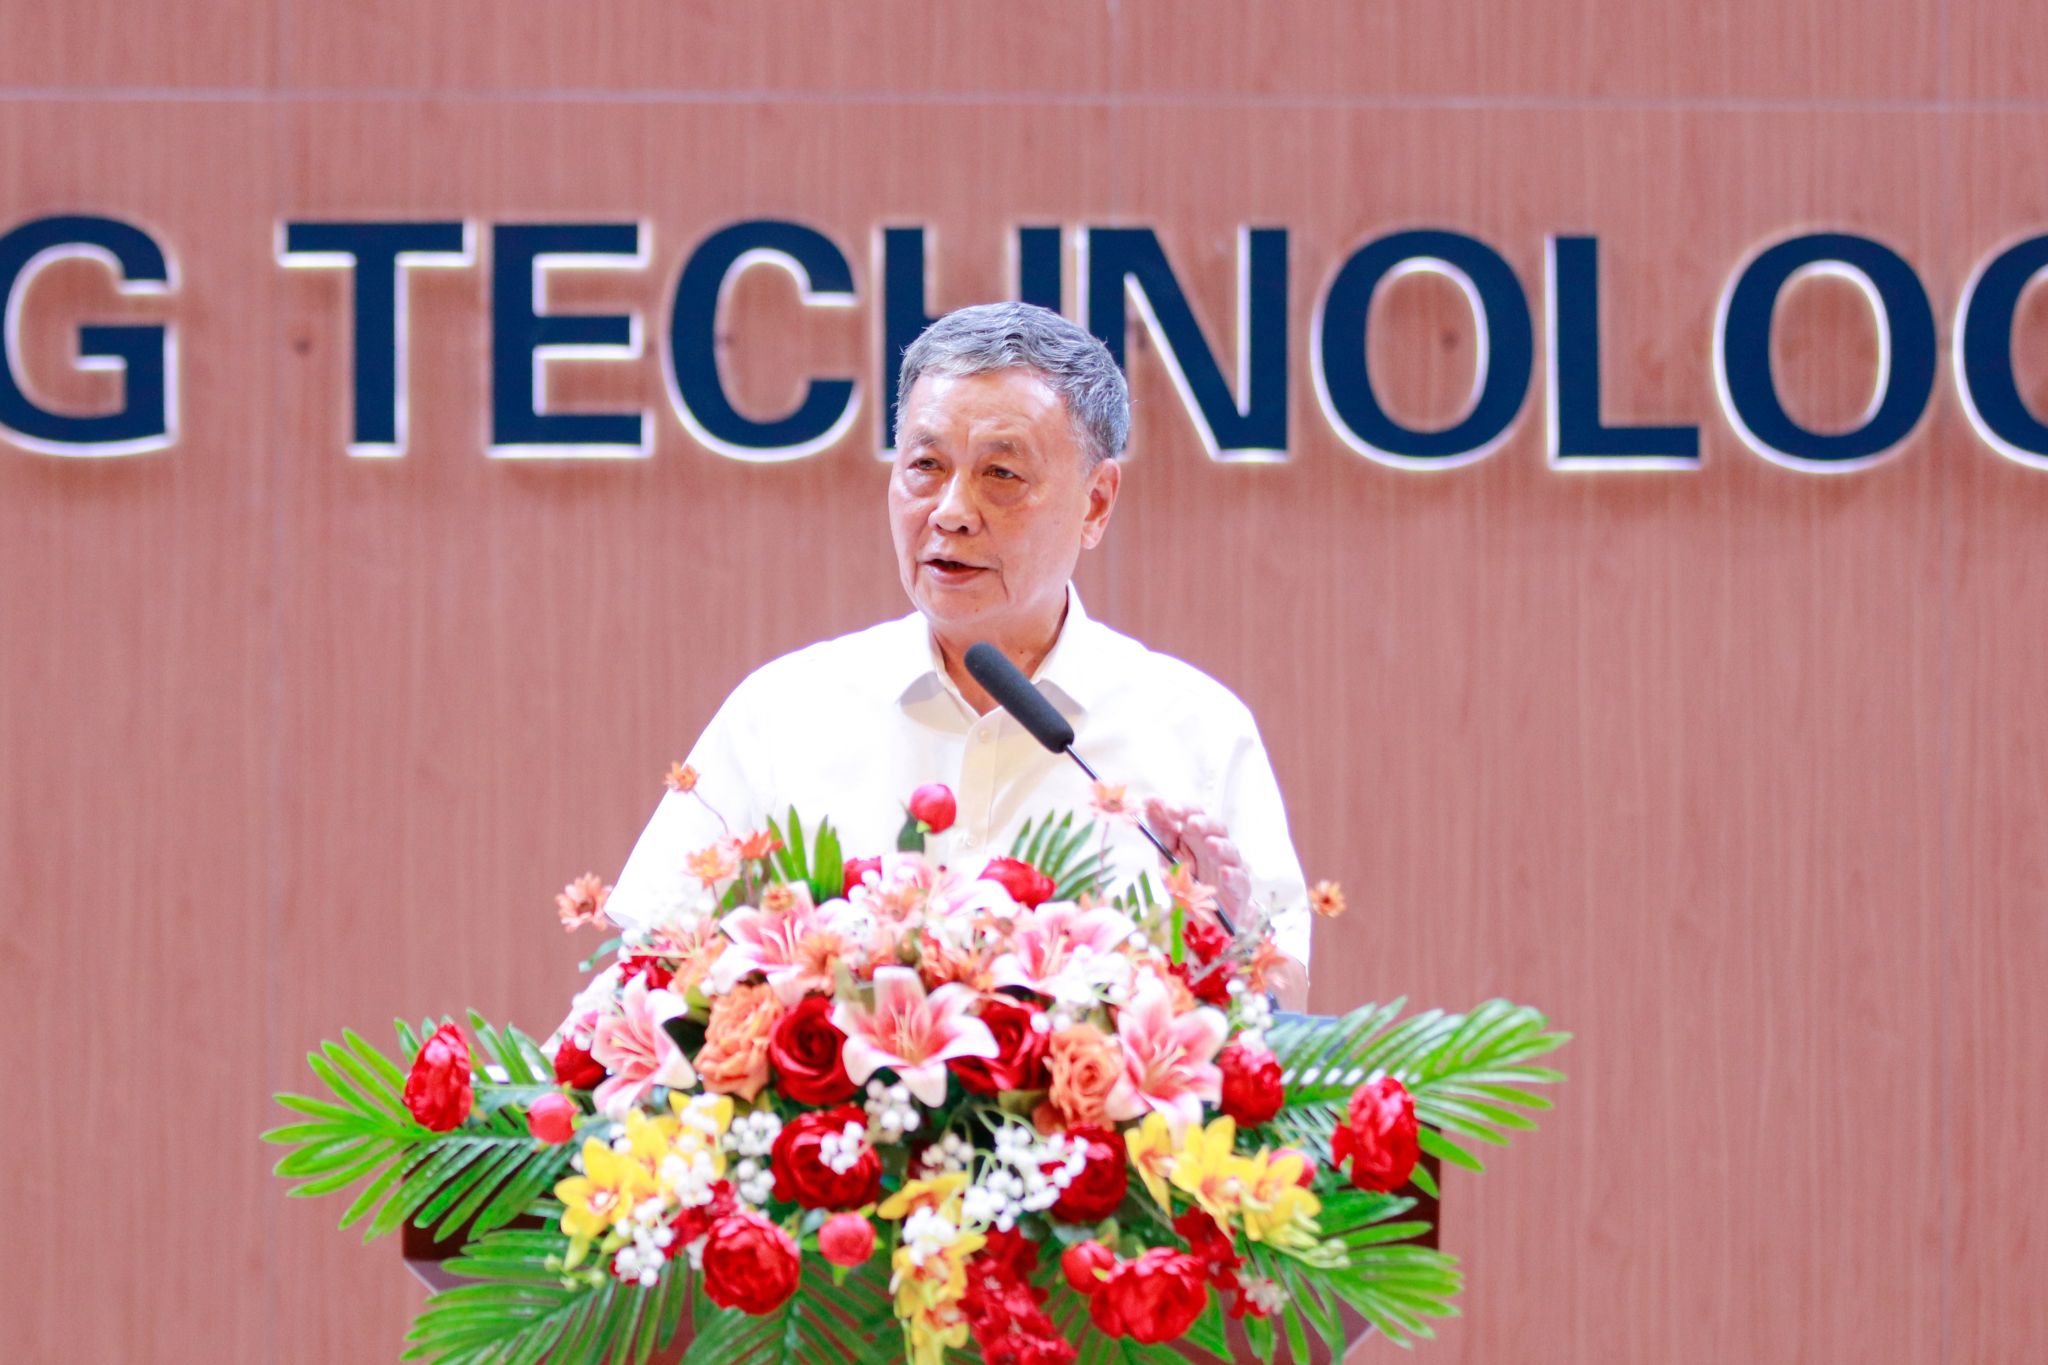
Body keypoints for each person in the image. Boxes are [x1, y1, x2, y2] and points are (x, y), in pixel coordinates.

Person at [604, 302, 1310, 998]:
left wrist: (1236, 949)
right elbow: (638, 980)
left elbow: (1287, 1020)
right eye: (926, 465)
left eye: (1001, 475)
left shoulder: (1197, 732)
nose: (950, 511)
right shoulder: (782, 714)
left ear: (1095, 503)